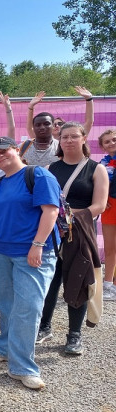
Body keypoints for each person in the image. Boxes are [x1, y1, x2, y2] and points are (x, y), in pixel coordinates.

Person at [0, 137, 60, 390]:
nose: (0, 156)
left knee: (28, 307)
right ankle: (3, 346)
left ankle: (23, 366)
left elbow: (51, 211)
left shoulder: (38, 176)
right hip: (0, 250)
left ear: (17, 150)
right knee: (5, 303)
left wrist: (37, 245)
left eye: (4, 151)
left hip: (32, 253)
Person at [38, 122, 108, 355]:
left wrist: (66, 217)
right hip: (53, 233)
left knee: (77, 281)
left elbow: (99, 205)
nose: (68, 141)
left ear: (84, 138)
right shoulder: (50, 168)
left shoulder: (96, 169)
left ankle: (74, 335)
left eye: (73, 136)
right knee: (49, 281)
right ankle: (44, 326)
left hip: (79, 234)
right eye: (64, 137)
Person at [26, 87, 94, 141]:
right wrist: (31, 106)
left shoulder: (74, 140)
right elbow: (30, 128)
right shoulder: (42, 141)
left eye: (60, 124)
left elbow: (89, 122)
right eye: (54, 124)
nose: (57, 126)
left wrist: (89, 99)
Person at [98, 129, 116, 301]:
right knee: (110, 248)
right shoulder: (102, 165)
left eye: (114, 140)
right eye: (107, 142)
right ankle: (108, 284)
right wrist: (103, 199)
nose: (111, 143)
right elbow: (97, 186)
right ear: (102, 147)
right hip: (110, 206)